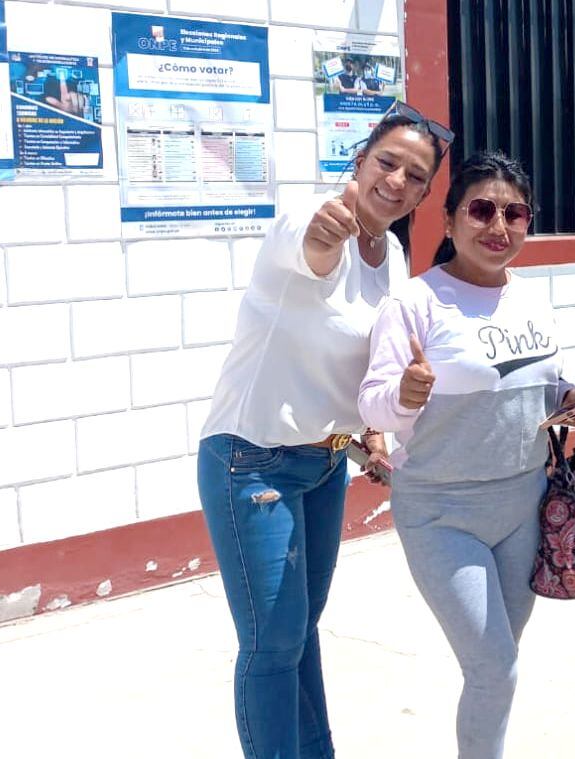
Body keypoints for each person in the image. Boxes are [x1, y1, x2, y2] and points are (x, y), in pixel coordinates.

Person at [196, 102, 451, 759]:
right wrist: (323, 233)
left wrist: (373, 433)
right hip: (251, 460)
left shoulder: (392, 255)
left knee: (301, 630)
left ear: (425, 193)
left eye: (415, 176)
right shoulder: (312, 219)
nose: (396, 181)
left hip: (325, 463)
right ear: (359, 161)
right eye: (387, 163)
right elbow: (312, 251)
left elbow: (373, 356)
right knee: (272, 643)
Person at [358, 151, 575, 759]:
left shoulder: (531, 297)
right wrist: (405, 395)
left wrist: (570, 399)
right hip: (441, 515)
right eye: (482, 209)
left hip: (524, 508)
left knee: (497, 665)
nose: (498, 226)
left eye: (514, 213)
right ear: (449, 218)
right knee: (495, 669)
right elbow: (374, 406)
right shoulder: (415, 303)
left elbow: (542, 386)